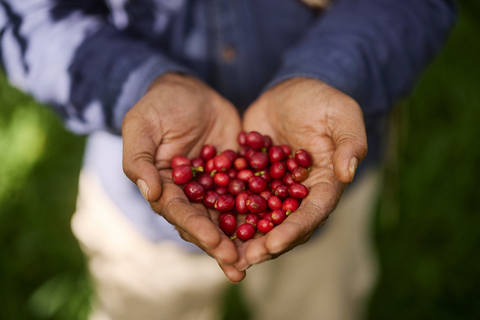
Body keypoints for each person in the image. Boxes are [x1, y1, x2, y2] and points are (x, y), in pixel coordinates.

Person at [0, 0, 457, 319]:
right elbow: (32, 17)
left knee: (318, 303)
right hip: (141, 213)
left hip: (329, 190)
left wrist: (334, 71)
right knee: (143, 301)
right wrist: (137, 84)